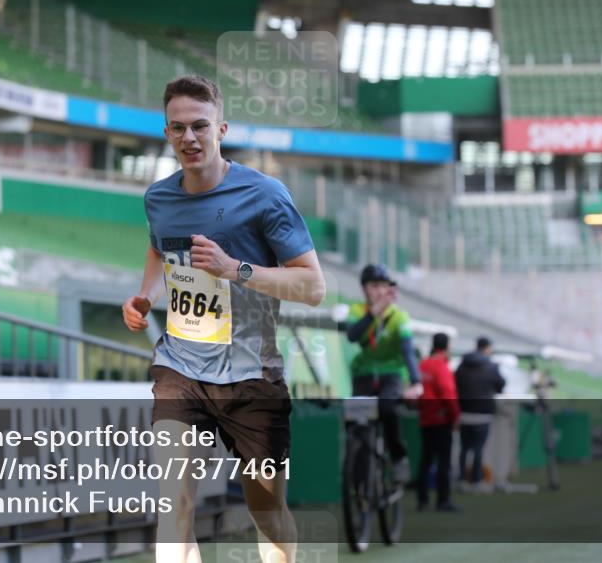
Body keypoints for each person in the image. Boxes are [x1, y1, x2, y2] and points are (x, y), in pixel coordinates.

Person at [122, 75, 326, 563]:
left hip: (252, 374)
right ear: (167, 133)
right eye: (178, 128)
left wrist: (236, 269)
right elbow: (159, 248)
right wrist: (147, 295)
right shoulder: (159, 198)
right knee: (174, 505)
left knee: (266, 512)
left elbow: (312, 287)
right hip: (181, 367)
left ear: (221, 129)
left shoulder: (264, 194)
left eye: (200, 126)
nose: (189, 138)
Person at [346, 264, 421, 484]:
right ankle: (358, 480)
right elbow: (353, 335)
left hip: (391, 374)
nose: (379, 291)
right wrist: (373, 313)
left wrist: (416, 382)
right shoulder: (356, 310)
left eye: (383, 286)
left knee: (388, 410)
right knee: (356, 423)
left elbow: (408, 351)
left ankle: (398, 458)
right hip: (364, 373)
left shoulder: (399, 316)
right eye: (374, 286)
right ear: (364, 289)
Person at [454, 337, 506, 490]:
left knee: (464, 448)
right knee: (478, 448)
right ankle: (476, 480)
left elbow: (454, 384)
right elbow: (501, 385)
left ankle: (462, 479)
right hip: (483, 413)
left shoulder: (462, 365)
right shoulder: (491, 366)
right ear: (487, 348)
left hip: (464, 412)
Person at [416, 332, 460, 512]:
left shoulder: (422, 365)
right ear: (447, 346)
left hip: (425, 418)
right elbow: (448, 392)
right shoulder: (442, 367)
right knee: (443, 462)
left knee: (425, 460)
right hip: (441, 420)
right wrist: (455, 416)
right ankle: (443, 500)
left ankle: (422, 500)